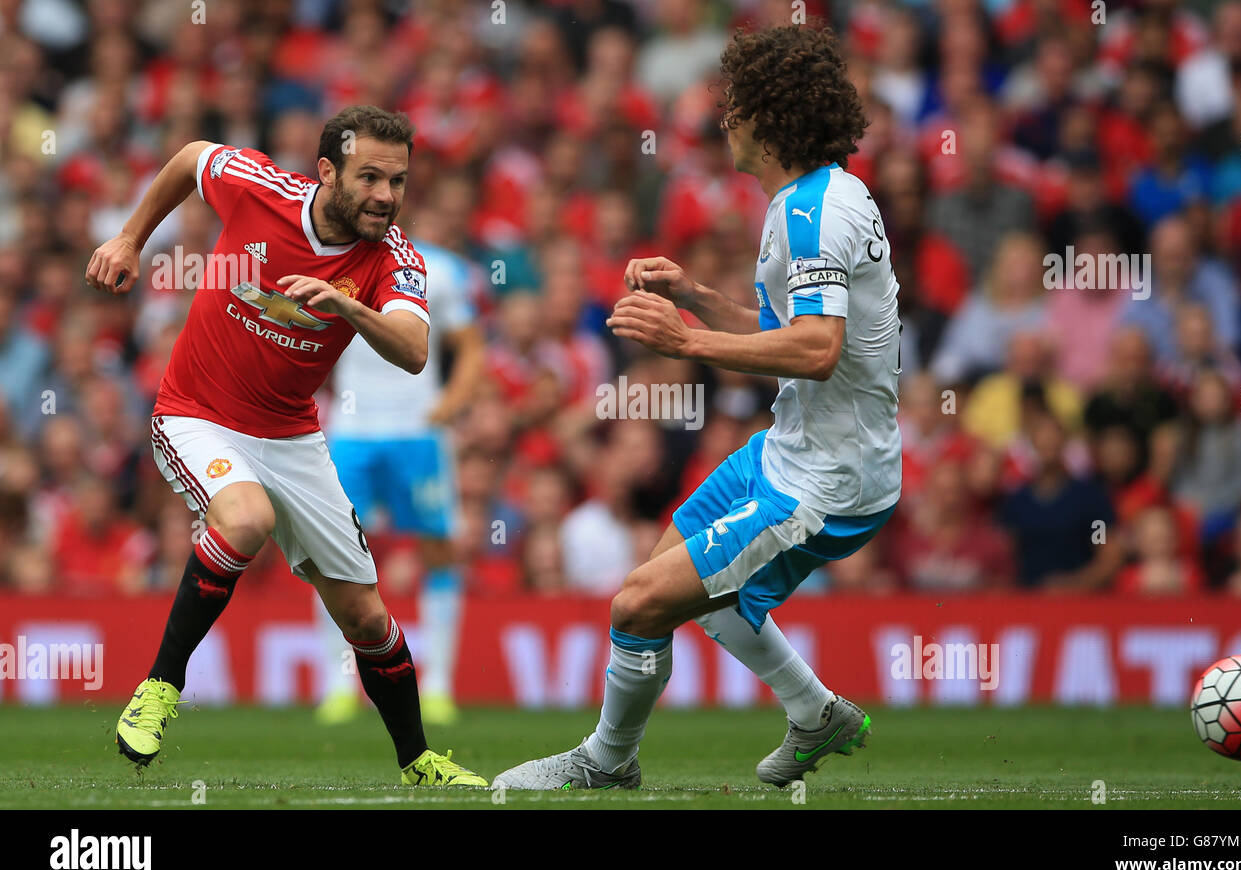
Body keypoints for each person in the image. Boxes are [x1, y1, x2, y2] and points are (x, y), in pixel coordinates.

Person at [493, 24, 901, 791]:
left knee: (640, 603)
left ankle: (606, 762)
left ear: (769, 118)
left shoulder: (815, 212)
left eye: (735, 105)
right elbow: (794, 332)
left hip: (829, 479)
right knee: (680, 583)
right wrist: (701, 300)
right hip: (791, 449)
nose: (723, 121)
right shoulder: (813, 199)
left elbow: (817, 349)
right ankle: (815, 713)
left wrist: (685, 343)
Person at [84, 105, 486, 787]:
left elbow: (417, 350)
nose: (385, 195)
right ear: (327, 170)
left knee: (367, 616)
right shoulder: (259, 187)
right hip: (197, 412)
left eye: (398, 180)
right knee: (245, 519)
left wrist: (349, 307)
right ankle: (160, 685)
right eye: (369, 177)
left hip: (293, 434)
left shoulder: (396, 258)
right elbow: (190, 154)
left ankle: (419, 761)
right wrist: (129, 238)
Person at [315, 208, 486, 728]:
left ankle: (438, 685)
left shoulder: (438, 270)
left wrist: (452, 403)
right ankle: (339, 683)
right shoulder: (334, 262)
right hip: (353, 430)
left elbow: (470, 347)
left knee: (437, 548)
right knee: (331, 553)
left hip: (419, 431)